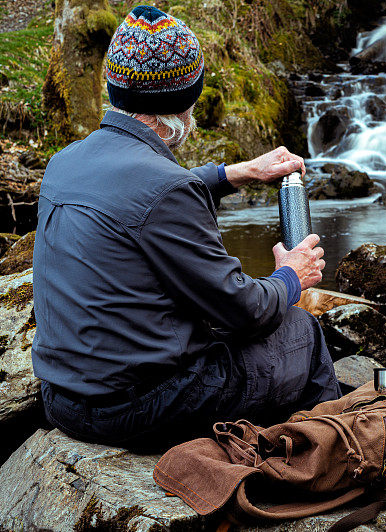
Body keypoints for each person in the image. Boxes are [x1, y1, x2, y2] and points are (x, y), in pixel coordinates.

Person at [31, 5, 341, 451]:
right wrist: (291, 277)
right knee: (299, 332)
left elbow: (135, 201)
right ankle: (325, 464)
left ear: (116, 88)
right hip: (133, 411)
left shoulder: (65, 163)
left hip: (62, 400)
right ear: (183, 102)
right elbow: (244, 310)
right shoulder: (165, 187)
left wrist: (236, 173)